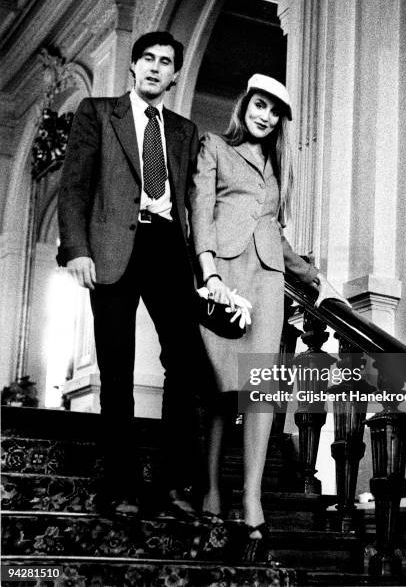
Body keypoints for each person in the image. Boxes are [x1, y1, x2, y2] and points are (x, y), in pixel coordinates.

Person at [189, 74, 345, 559]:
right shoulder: (213, 145)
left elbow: (275, 232)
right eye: (260, 105)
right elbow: (200, 209)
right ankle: (211, 489)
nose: (265, 116)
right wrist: (209, 273)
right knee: (220, 387)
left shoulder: (277, 169)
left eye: (274, 111)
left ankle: (252, 500)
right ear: (245, 106)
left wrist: (315, 277)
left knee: (259, 391)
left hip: (268, 280)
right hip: (226, 277)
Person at [57, 31, 203, 516]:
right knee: (116, 371)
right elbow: (75, 185)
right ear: (133, 67)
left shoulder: (184, 131)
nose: (156, 68)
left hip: (168, 249)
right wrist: (76, 248)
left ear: (175, 74)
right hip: (112, 249)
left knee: (184, 364)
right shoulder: (98, 112)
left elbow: (193, 203)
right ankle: (119, 484)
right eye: (147, 59)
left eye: (166, 62)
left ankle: (171, 482)